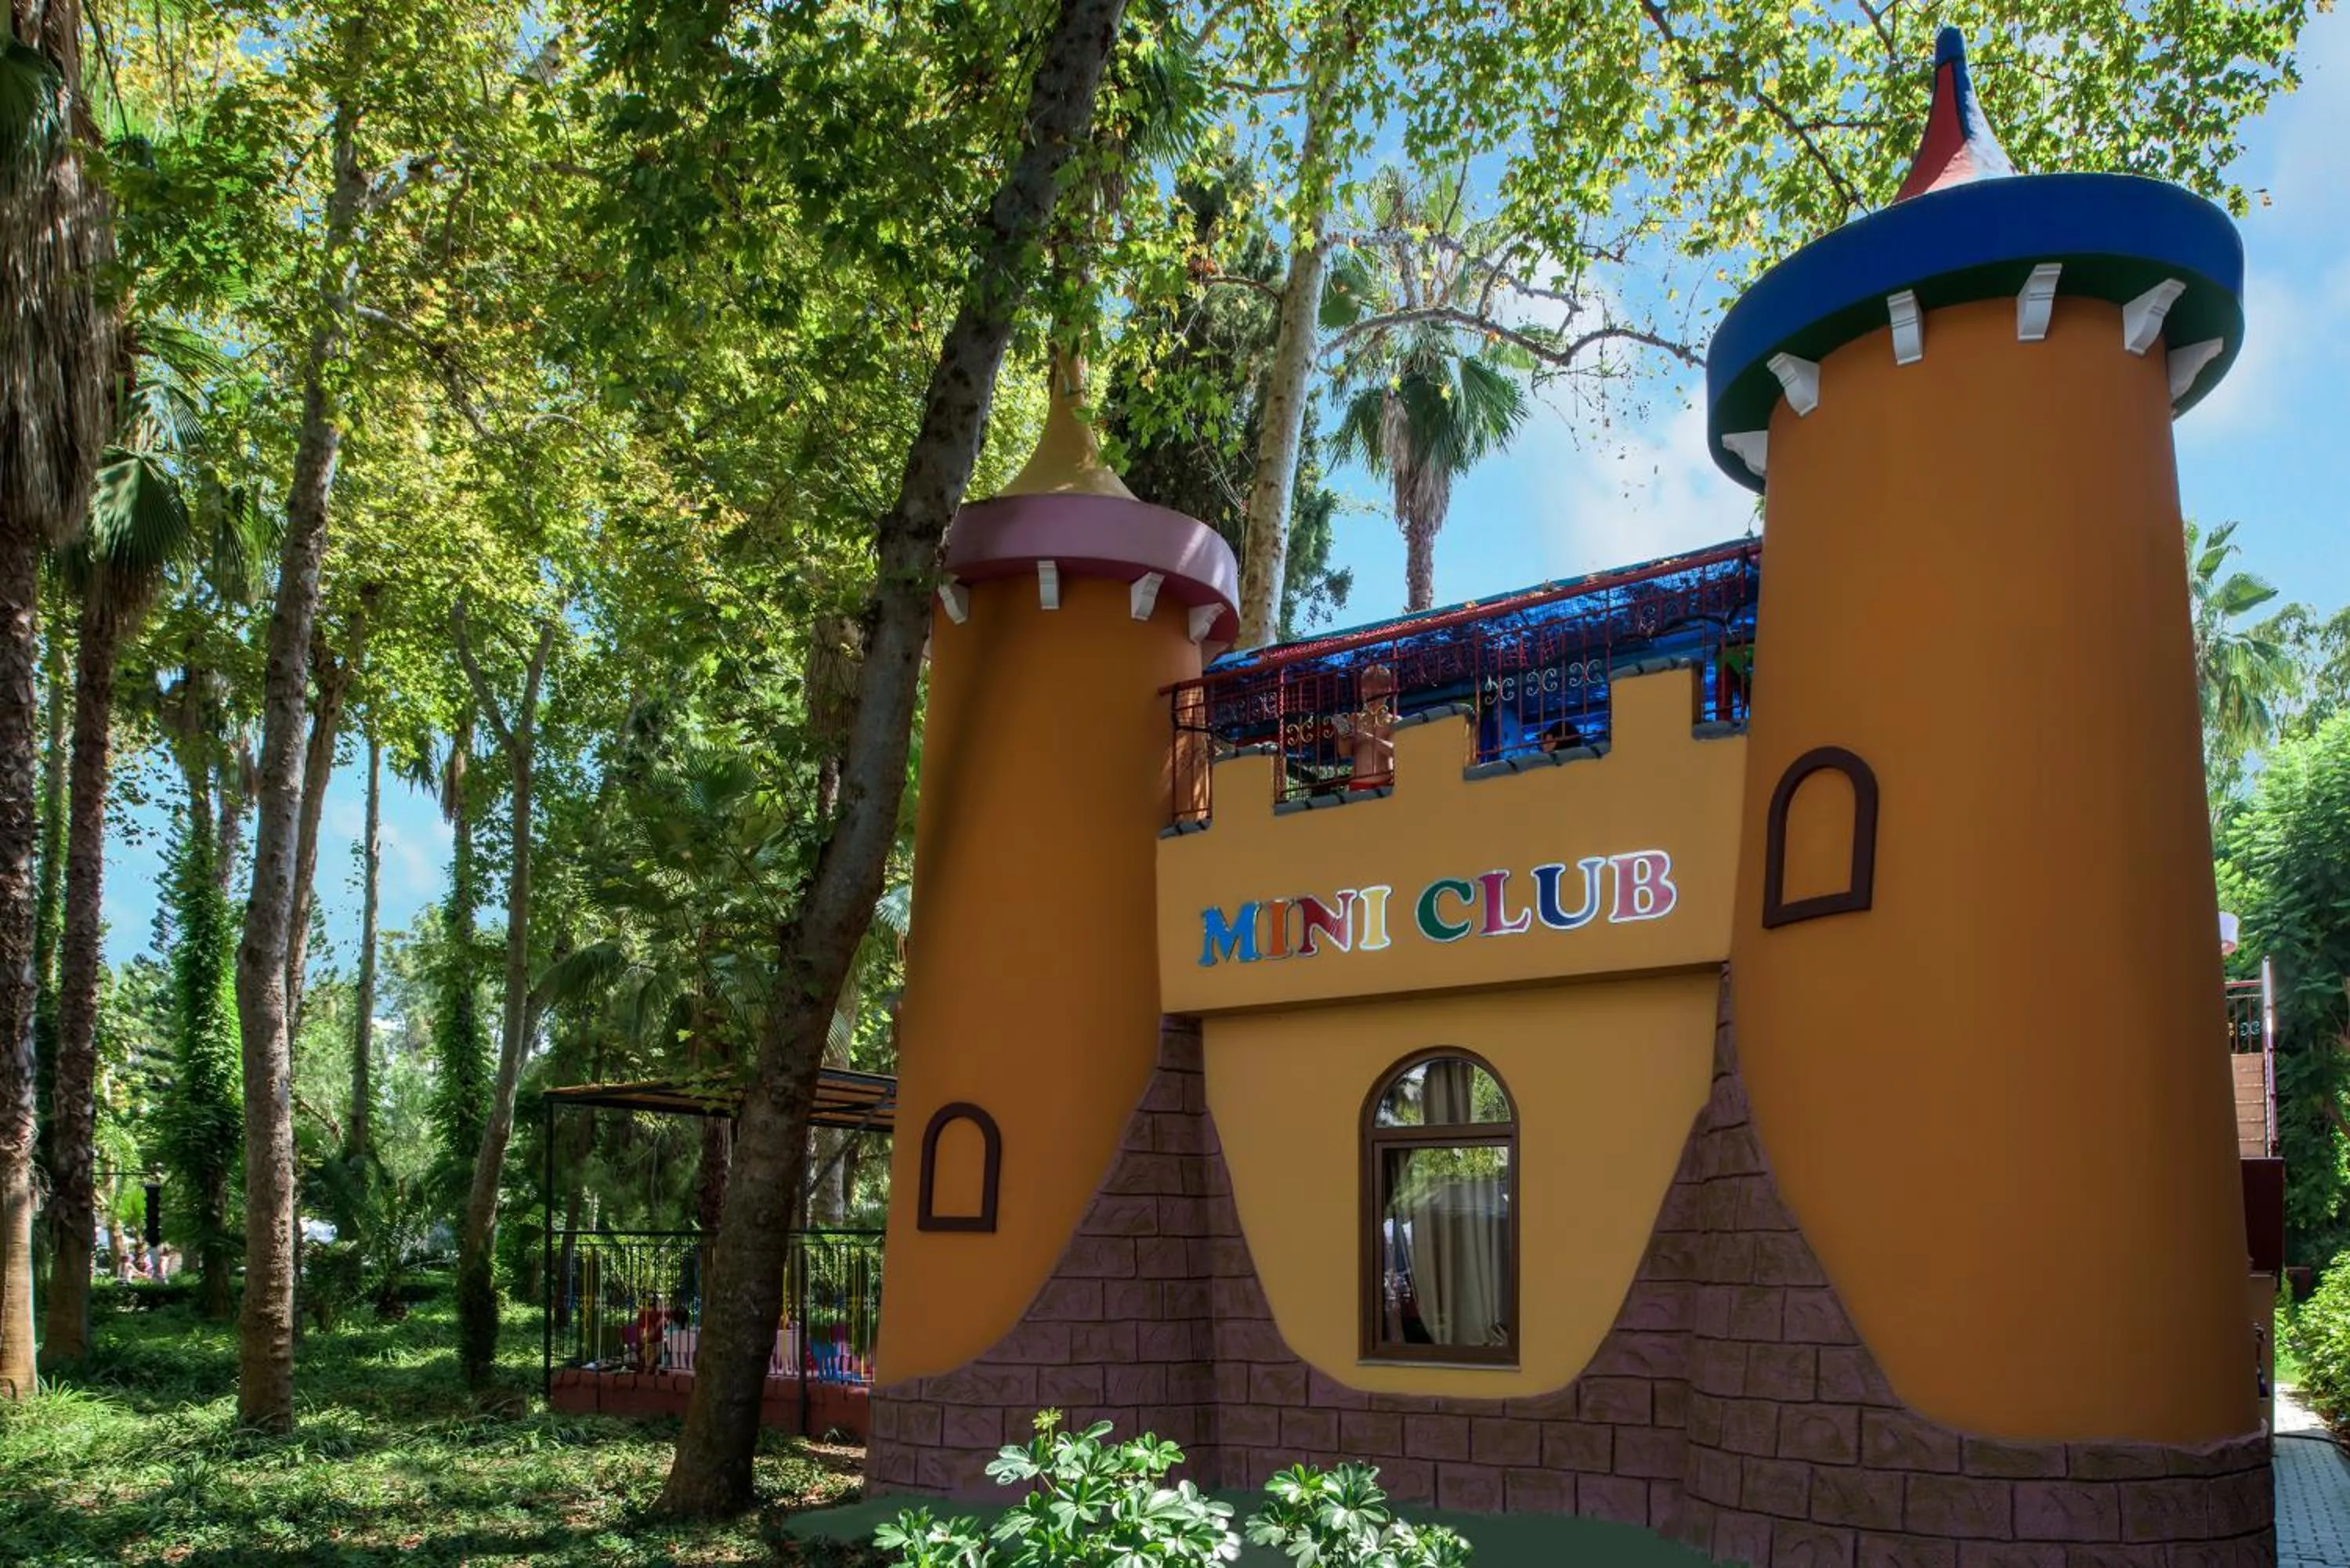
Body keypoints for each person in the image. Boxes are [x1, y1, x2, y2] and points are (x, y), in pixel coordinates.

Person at [1345, 664, 1397, 791]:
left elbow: (1394, 751)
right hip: (1357, 784)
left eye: (1375, 694)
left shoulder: (1393, 720)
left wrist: (1366, 737)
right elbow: (1344, 752)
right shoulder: (1354, 719)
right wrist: (1343, 737)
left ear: (1387, 692)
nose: (1370, 699)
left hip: (1384, 783)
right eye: (1366, 694)